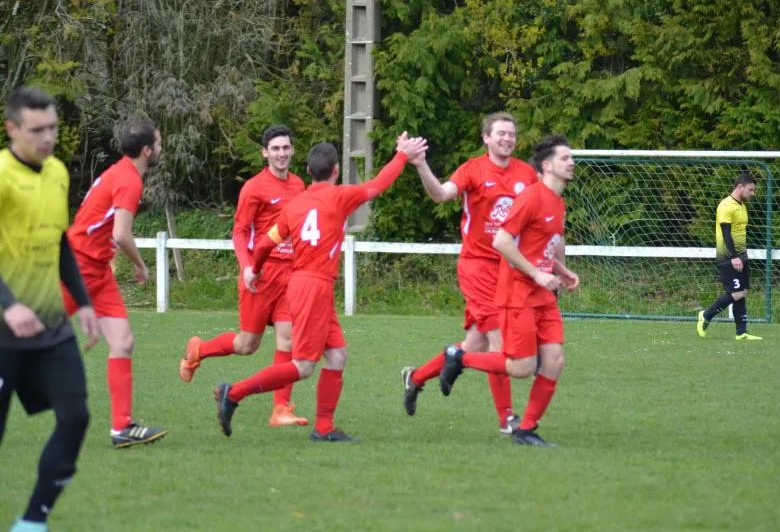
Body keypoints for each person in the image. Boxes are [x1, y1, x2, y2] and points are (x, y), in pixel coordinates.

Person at [213, 133, 427, 441]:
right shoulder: (339, 196)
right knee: (302, 367)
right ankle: (233, 393)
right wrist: (402, 156)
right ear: (336, 171)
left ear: (309, 172)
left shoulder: (294, 205)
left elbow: (263, 243)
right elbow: (377, 185)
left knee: (338, 355)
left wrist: (253, 269)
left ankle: (324, 427)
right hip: (312, 286)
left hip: (306, 284)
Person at [437, 134, 579, 447]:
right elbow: (502, 241)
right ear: (547, 165)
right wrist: (537, 275)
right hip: (518, 294)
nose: (571, 163)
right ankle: (459, 358)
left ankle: (526, 430)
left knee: (554, 362)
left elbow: (546, 246)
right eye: (565, 158)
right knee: (521, 367)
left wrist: (562, 271)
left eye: (571, 158)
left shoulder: (558, 201)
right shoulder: (530, 197)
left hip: (542, 296)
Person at [401, 112, 538, 435]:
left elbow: (533, 221)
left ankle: (416, 377)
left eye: (511, 134)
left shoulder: (526, 174)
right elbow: (441, 194)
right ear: (486, 138)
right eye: (500, 133)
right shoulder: (473, 169)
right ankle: (507, 418)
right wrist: (421, 165)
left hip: (510, 268)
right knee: (500, 345)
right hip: (477, 267)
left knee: (474, 344)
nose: (507, 138)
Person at [1, 86, 99, 532]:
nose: (48, 138)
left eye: (53, 128)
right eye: (37, 130)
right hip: (4, 331)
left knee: (75, 416)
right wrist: (8, 305)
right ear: (12, 130)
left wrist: (82, 302)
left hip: (51, 327)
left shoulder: (58, 173)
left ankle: (32, 521)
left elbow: (60, 242)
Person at [179, 125, 308, 427]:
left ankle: (281, 410)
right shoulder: (253, 188)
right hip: (260, 276)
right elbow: (239, 232)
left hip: (289, 276)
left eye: (285, 148)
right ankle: (199, 349)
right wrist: (247, 266)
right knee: (247, 346)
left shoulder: (300, 185)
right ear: (265, 153)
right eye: (275, 149)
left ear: (292, 151)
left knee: (287, 340)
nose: (281, 153)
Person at [62, 119, 168, 448]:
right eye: (159, 143)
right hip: (75, 266)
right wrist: (141, 266)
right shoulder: (129, 181)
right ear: (147, 150)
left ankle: (122, 427)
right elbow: (122, 234)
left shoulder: (120, 171)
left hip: (97, 271)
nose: (162, 148)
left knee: (122, 342)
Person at [697, 172, 762, 340]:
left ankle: (741, 333)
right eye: (750, 189)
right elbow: (726, 233)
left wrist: (741, 256)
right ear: (740, 187)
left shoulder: (741, 205)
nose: (752, 193)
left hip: (742, 255)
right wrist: (734, 257)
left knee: (743, 291)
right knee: (737, 293)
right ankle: (706, 315)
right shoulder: (725, 205)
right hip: (728, 256)